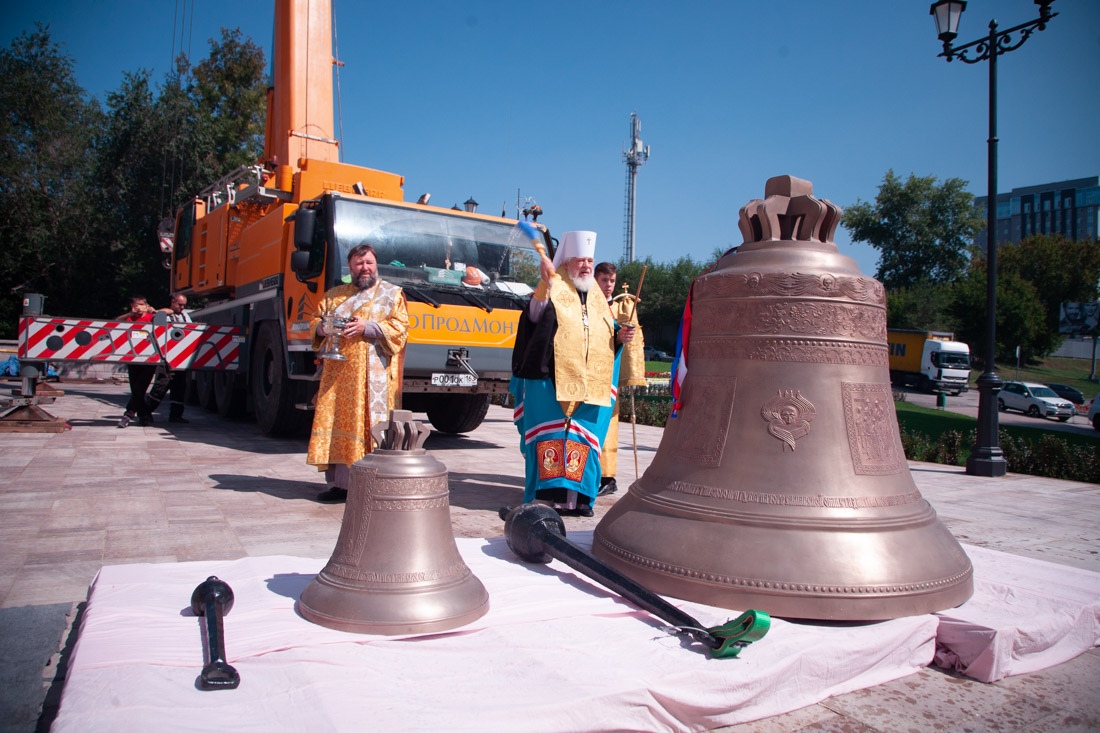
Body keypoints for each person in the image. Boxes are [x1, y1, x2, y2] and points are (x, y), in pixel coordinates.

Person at [510, 232, 635, 517]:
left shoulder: (597, 298)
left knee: (583, 440)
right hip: (550, 382)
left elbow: (605, 334)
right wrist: (545, 281)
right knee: (552, 439)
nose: (587, 266)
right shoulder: (553, 287)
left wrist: (620, 337)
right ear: (566, 263)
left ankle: (579, 501)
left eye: (590, 260)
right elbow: (533, 317)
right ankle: (547, 499)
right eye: (580, 260)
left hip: (590, 385)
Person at [307, 244, 409, 502]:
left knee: (370, 427)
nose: (364, 268)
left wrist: (368, 327)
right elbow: (314, 321)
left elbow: (401, 328)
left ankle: (372, 484)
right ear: (350, 267)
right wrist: (322, 329)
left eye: (369, 263)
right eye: (358, 263)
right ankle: (341, 485)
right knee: (337, 425)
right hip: (337, 376)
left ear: (376, 265)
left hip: (373, 377)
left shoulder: (391, 294)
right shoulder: (334, 296)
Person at [593, 262, 647, 497]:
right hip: (586, 375)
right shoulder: (585, 305)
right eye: (604, 280)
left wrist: (632, 370)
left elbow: (632, 339)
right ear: (595, 280)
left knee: (608, 424)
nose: (608, 285)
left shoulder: (620, 307)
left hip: (607, 378)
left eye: (611, 280)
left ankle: (607, 476)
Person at [145, 293, 192, 423]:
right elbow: (156, 315)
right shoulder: (164, 315)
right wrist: (169, 311)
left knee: (180, 387)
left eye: (184, 305)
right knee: (161, 385)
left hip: (181, 358)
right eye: (179, 305)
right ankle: (146, 412)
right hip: (165, 357)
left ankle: (176, 415)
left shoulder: (185, 316)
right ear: (172, 302)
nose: (182, 308)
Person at [117, 296, 157, 428]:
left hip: (149, 359)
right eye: (136, 305)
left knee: (140, 387)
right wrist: (130, 314)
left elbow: (167, 313)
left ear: (146, 305)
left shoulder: (151, 317)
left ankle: (128, 414)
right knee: (136, 389)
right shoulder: (129, 318)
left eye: (141, 304)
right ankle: (144, 415)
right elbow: (115, 322)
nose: (139, 307)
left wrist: (154, 311)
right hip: (132, 358)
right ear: (131, 305)